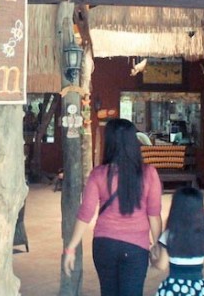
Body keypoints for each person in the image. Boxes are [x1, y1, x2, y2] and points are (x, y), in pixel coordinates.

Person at [63, 118, 162, 296]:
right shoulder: (149, 173)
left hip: (104, 245)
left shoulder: (98, 174)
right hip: (136, 247)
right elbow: (154, 214)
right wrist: (158, 244)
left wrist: (71, 248)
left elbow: (85, 213)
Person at [150, 187, 204, 296]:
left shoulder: (169, 235)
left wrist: (153, 260)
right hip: (197, 287)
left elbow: (162, 265)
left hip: (174, 287)